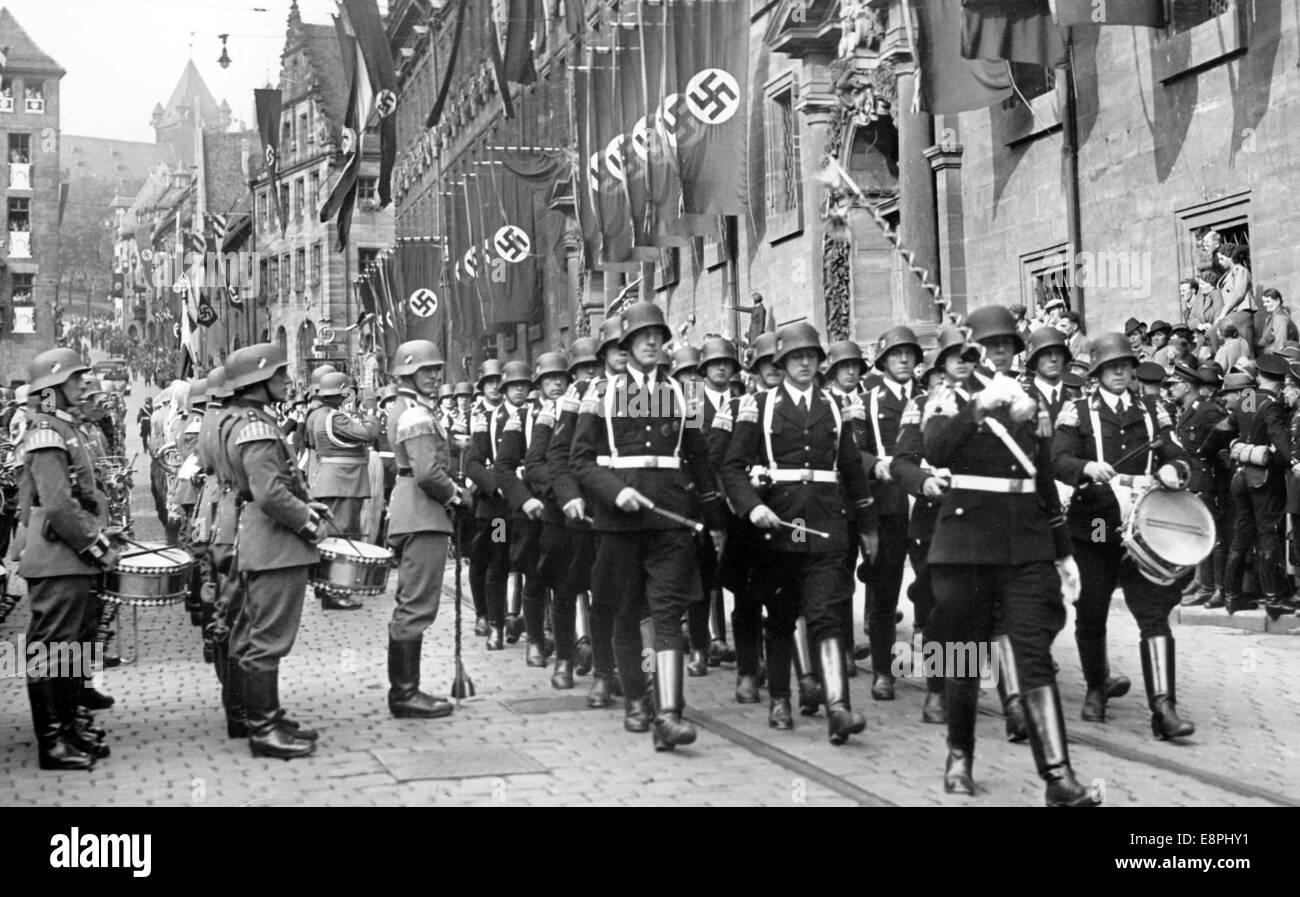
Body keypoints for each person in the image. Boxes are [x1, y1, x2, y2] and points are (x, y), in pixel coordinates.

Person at [923, 305, 1099, 805]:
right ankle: (959, 754)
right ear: (972, 351)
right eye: (992, 345)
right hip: (965, 544)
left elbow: (1043, 480)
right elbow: (934, 449)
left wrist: (1063, 553)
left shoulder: (1029, 403)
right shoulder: (949, 397)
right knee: (963, 655)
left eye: (1008, 346)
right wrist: (978, 406)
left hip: (1025, 543)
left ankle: (1058, 776)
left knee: (1033, 653)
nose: (1002, 352)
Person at [570, 302, 726, 751]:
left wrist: (714, 520)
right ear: (626, 344)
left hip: (670, 520)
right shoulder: (601, 393)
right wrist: (614, 491)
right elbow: (580, 460)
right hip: (620, 522)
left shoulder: (682, 395)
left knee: (668, 615)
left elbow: (699, 460)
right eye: (643, 337)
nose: (653, 343)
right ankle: (637, 700)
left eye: (658, 336)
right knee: (625, 611)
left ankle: (669, 713)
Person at [720, 322, 879, 740]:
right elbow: (732, 467)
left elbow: (851, 471)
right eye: (796, 357)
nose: (805, 363)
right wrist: (751, 507)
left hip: (827, 523)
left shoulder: (834, 405)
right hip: (782, 523)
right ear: (783, 363)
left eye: (811, 357)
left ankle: (838, 707)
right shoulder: (761, 405)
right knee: (781, 614)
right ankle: (779, 699)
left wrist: (867, 525)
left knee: (826, 616)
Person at [1053, 333, 1196, 740]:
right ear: (1096, 372)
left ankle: (1163, 708)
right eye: (1110, 366)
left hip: (1144, 529)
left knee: (1153, 613)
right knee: (1092, 609)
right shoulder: (1077, 411)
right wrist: (1085, 468)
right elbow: (1058, 460)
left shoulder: (1153, 409)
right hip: (1094, 527)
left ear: (1133, 370)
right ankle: (1097, 688)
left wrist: (1175, 470)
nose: (1119, 372)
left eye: (1125, 365)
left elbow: (1177, 454)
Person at [222, 344, 326, 760]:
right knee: (269, 638)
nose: (287, 380)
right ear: (257, 382)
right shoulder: (257, 427)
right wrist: (306, 519)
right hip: (275, 544)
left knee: (254, 633)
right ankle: (263, 729)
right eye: (279, 375)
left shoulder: (250, 420)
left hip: (263, 540)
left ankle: (263, 714)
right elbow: (268, 493)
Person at [19, 351, 119, 770]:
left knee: (72, 646)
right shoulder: (47, 432)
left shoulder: (66, 427)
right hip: (59, 552)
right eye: (75, 378)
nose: (84, 384)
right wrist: (96, 544)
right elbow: (58, 506)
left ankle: (68, 727)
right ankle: (52, 741)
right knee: (51, 650)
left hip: (70, 554)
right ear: (52, 388)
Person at [548, 319, 626, 707]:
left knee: (617, 593)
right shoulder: (577, 398)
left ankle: (622, 669)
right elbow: (556, 456)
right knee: (570, 585)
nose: (590, 373)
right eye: (612, 351)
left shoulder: (648, 391)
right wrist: (569, 497)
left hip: (626, 509)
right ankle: (564, 657)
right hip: (582, 510)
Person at [385, 340, 461, 718]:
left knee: (412, 601)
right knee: (416, 605)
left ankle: (405, 690)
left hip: (412, 507)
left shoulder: (410, 407)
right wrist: (456, 496)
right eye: (425, 371)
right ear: (406, 374)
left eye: (436, 369)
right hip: (422, 511)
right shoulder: (414, 413)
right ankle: (404, 693)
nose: (434, 376)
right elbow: (428, 472)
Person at [859, 326, 923, 701]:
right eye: (896, 354)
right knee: (884, 591)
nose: (903, 360)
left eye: (909, 354)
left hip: (928, 503)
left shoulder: (933, 398)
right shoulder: (866, 401)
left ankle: (935, 674)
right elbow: (854, 451)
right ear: (883, 361)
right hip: (887, 505)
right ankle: (884, 671)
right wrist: (875, 466)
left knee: (933, 590)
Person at [1220, 352, 1291, 615]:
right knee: (1268, 534)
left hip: (1240, 476)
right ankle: (1272, 600)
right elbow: (1280, 444)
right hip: (1263, 480)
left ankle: (1231, 595)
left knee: (1241, 535)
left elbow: (1237, 427)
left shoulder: (1249, 398)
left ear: (1260, 376)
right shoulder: (1272, 404)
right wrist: (1284, 458)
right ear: (1281, 382)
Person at [310, 372, 381, 611]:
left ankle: (325, 588)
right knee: (339, 538)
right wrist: (371, 412)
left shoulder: (319, 415)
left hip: (334, 480)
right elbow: (367, 434)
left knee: (331, 536)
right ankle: (335, 592)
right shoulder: (335, 418)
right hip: (343, 482)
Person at [1173, 364, 1228, 608]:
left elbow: (1224, 437)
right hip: (1191, 479)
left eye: (1174, 384)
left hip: (1207, 480)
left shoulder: (1207, 411)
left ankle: (1215, 586)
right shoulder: (1188, 411)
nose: (1171, 389)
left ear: (1186, 386)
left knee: (1212, 534)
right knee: (1197, 533)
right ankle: (1201, 579)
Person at [465, 359, 506, 642]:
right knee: (482, 557)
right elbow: (471, 460)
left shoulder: (516, 412)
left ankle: (502, 615)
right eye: (489, 382)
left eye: (498, 381)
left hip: (509, 505)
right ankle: (483, 613)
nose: (494, 387)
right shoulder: (476, 415)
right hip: (486, 502)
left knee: (502, 557)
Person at [1257, 288, 1296, 355]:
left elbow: (1281, 345)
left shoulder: (1279, 317)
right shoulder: (1275, 315)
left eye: (1268, 301)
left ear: (1277, 301)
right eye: (1264, 302)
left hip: (1281, 357)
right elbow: (1267, 338)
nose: (1264, 305)